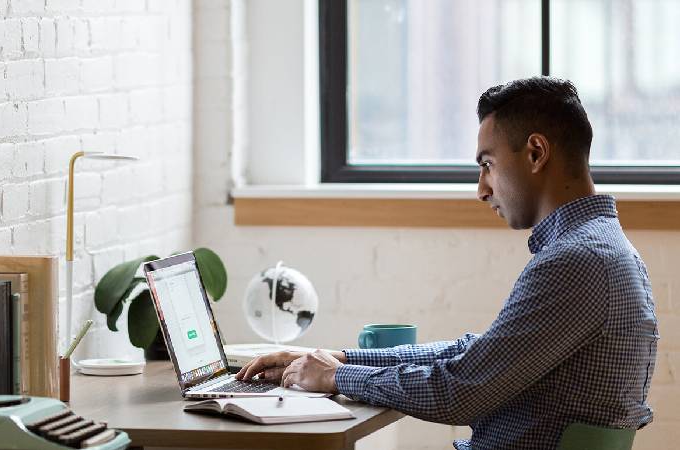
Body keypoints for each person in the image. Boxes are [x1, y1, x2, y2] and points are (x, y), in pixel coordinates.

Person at [236, 77, 659, 450]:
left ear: (535, 153)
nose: (481, 189)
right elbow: (476, 353)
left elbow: (461, 390)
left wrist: (337, 379)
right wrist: (341, 359)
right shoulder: (602, 251)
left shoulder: (576, 261)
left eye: (487, 165)